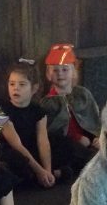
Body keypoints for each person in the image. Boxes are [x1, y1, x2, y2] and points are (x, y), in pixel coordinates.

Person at [0, 58, 65, 188]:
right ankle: (44, 175)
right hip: (14, 151)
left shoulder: (38, 111)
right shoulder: (2, 111)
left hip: (31, 149)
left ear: (34, 88)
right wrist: (39, 170)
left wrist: (46, 169)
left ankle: (49, 174)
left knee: (61, 142)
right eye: (12, 84)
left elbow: (42, 141)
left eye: (22, 84)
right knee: (14, 160)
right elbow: (16, 144)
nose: (15, 88)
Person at [39, 43, 100, 172]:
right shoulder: (47, 103)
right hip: (68, 145)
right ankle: (92, 163)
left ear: (73, 72)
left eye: (65, 69)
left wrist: (98, 137)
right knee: (68, 148)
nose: (60, 74)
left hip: (89, 141)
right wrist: (77, 138)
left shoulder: (83, 95)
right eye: (55, 70)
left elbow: (95, 118)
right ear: (49, 74)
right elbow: (50, 132)